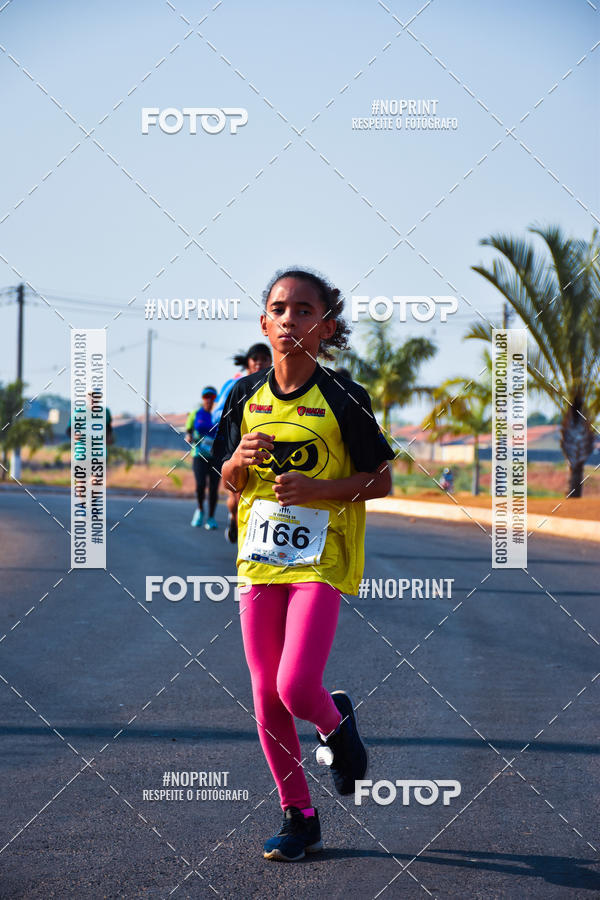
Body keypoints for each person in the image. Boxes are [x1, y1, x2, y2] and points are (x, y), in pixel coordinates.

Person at [214, 268, 394, 862]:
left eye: (303, 310)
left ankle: (337, 727)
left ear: (326, 327)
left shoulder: (344, 397)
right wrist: (239, 459)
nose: (289, 318)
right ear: (263, 323)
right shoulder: (243, 396)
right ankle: (300, 817)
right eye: (278, 308)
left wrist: (319, 490)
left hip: (322, 555)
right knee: (266, 695)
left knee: (295, 685)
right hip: (260, 559)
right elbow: (230, 484)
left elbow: (381, 482)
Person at [212, 343, 272, 543]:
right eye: (256, 359)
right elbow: (216, 414)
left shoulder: (280, 383)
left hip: (268, 447)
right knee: (236, 492)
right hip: (238, 445)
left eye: (264, 359)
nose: (259, 363)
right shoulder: (237, 385)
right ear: (248, 362)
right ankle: (234, 518)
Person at [185, 386, 220, 529]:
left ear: (215, 399)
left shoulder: (218, 414)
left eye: (211, 397)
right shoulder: (196, 413)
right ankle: (200, 510)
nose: (209, 400)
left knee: (213, 488)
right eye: (206, 397)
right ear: (202, 398)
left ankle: (211, 518)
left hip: (215, 456)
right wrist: (189, 436)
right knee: (200, 485)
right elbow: (189, 430)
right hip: (199, 454)